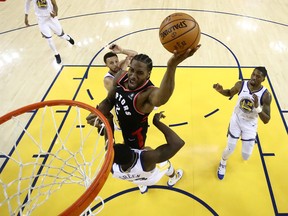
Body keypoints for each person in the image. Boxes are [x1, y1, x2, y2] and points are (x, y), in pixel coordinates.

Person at [86, 45, 201, 149]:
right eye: (131, 70)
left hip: (135, 134)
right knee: (114, 148)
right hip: (122, 123)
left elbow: (163, 97)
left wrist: (171, 66)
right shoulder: (121, 76)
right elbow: (109, 100)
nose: (133, 76)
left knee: (136, 159)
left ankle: (166, 169)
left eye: (140, 73)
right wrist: (98, 113)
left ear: (148, 74)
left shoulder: (148, 93)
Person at [213, 67, 272, 180]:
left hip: (250, 124)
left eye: (258, 76)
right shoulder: (241, 85)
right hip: (237, 119)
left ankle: (249, 138)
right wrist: (221, 91)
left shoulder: (266, 95)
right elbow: (229, 92)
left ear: (263, 79)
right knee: (230, 148)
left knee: (246, 156)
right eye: (253, 74)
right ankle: (222, 162)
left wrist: (257, 108)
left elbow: (266, 120)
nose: (254, 77)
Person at [111, 112, 185, 194]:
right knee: (167, 164)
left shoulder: (112, 169)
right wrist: (157, 122)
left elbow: (109, 144)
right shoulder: (148, 157)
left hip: (137, 180)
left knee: (137, 178)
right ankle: (174, 177)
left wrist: (106, 123)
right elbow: (178, 143)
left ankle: (142, 187)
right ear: (130, 150)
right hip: (152, 178)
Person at [103, 44, 138, 130]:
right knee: (122, 126)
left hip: (127, 97)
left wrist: (122, 51)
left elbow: (136, 55)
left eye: (116, 61)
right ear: (106, 65)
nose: (115, 64)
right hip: (117, 102)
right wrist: (125, 66)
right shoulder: (107, 79)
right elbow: (119, 88)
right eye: (111, 63)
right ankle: (115, 125)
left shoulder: (120, 65)